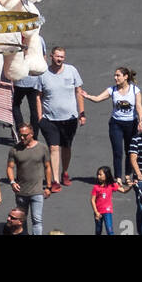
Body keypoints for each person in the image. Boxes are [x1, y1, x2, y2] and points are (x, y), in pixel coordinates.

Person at [38, 46, 85, 191]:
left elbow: (79, 92)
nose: (59, 59)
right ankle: (55, 180)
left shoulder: (71, 71)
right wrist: (39, 117)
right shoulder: (43, 74)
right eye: (57, 56)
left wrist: (82, 113)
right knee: (53, 147)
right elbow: (38, 97)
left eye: (62, 57)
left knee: (66, 147)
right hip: (50, 119)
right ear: (51, 56)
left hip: (69, 118)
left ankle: (65, 171)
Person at [86, 66, 142, 179]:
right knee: (117, 152)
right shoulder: (112, 90)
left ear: (125, 77)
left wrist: (141, 121)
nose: (115, 78)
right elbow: (98, 98)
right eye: (115, 75)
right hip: (116, 124)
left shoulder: (134, 90)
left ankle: (128, 174)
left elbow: (139, 106)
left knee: (130, 151)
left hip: (131, 124)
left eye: (118, 75)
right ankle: (118, 177)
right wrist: (87, 96)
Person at [5, 123, 50, 235]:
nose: (22, 138)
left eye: (25, 135)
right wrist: (12, 182)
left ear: (32, 134)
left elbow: (47, 167)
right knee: (20, 221)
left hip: (37, 192)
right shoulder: (15, 149)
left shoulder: (42, 148)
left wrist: (49, 186)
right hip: (21, 192)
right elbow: (10, 167)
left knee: (37, 220)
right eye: (20, 135)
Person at [91, 165, 129, 236]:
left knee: (110, 230)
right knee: (98, 231)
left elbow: (123, 190)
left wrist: (130, 187)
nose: (98, 176)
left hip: (107, 211)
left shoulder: (112, 185)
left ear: (106, 175)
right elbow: (92, 200)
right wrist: (96, 212)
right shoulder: (96, 187)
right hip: (98, 212)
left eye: (100, 174)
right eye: (98, 174)